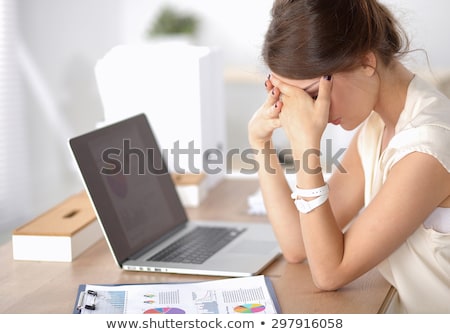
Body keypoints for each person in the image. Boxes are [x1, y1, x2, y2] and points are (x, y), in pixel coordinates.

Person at [248, 0, 450, 313]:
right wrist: (261, 144)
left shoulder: (426, 147)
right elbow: (298, 245)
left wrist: (307, 149)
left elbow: (330, 272)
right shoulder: (378, 124)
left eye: (314, 95)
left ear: (365, 62)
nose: (314, 112)